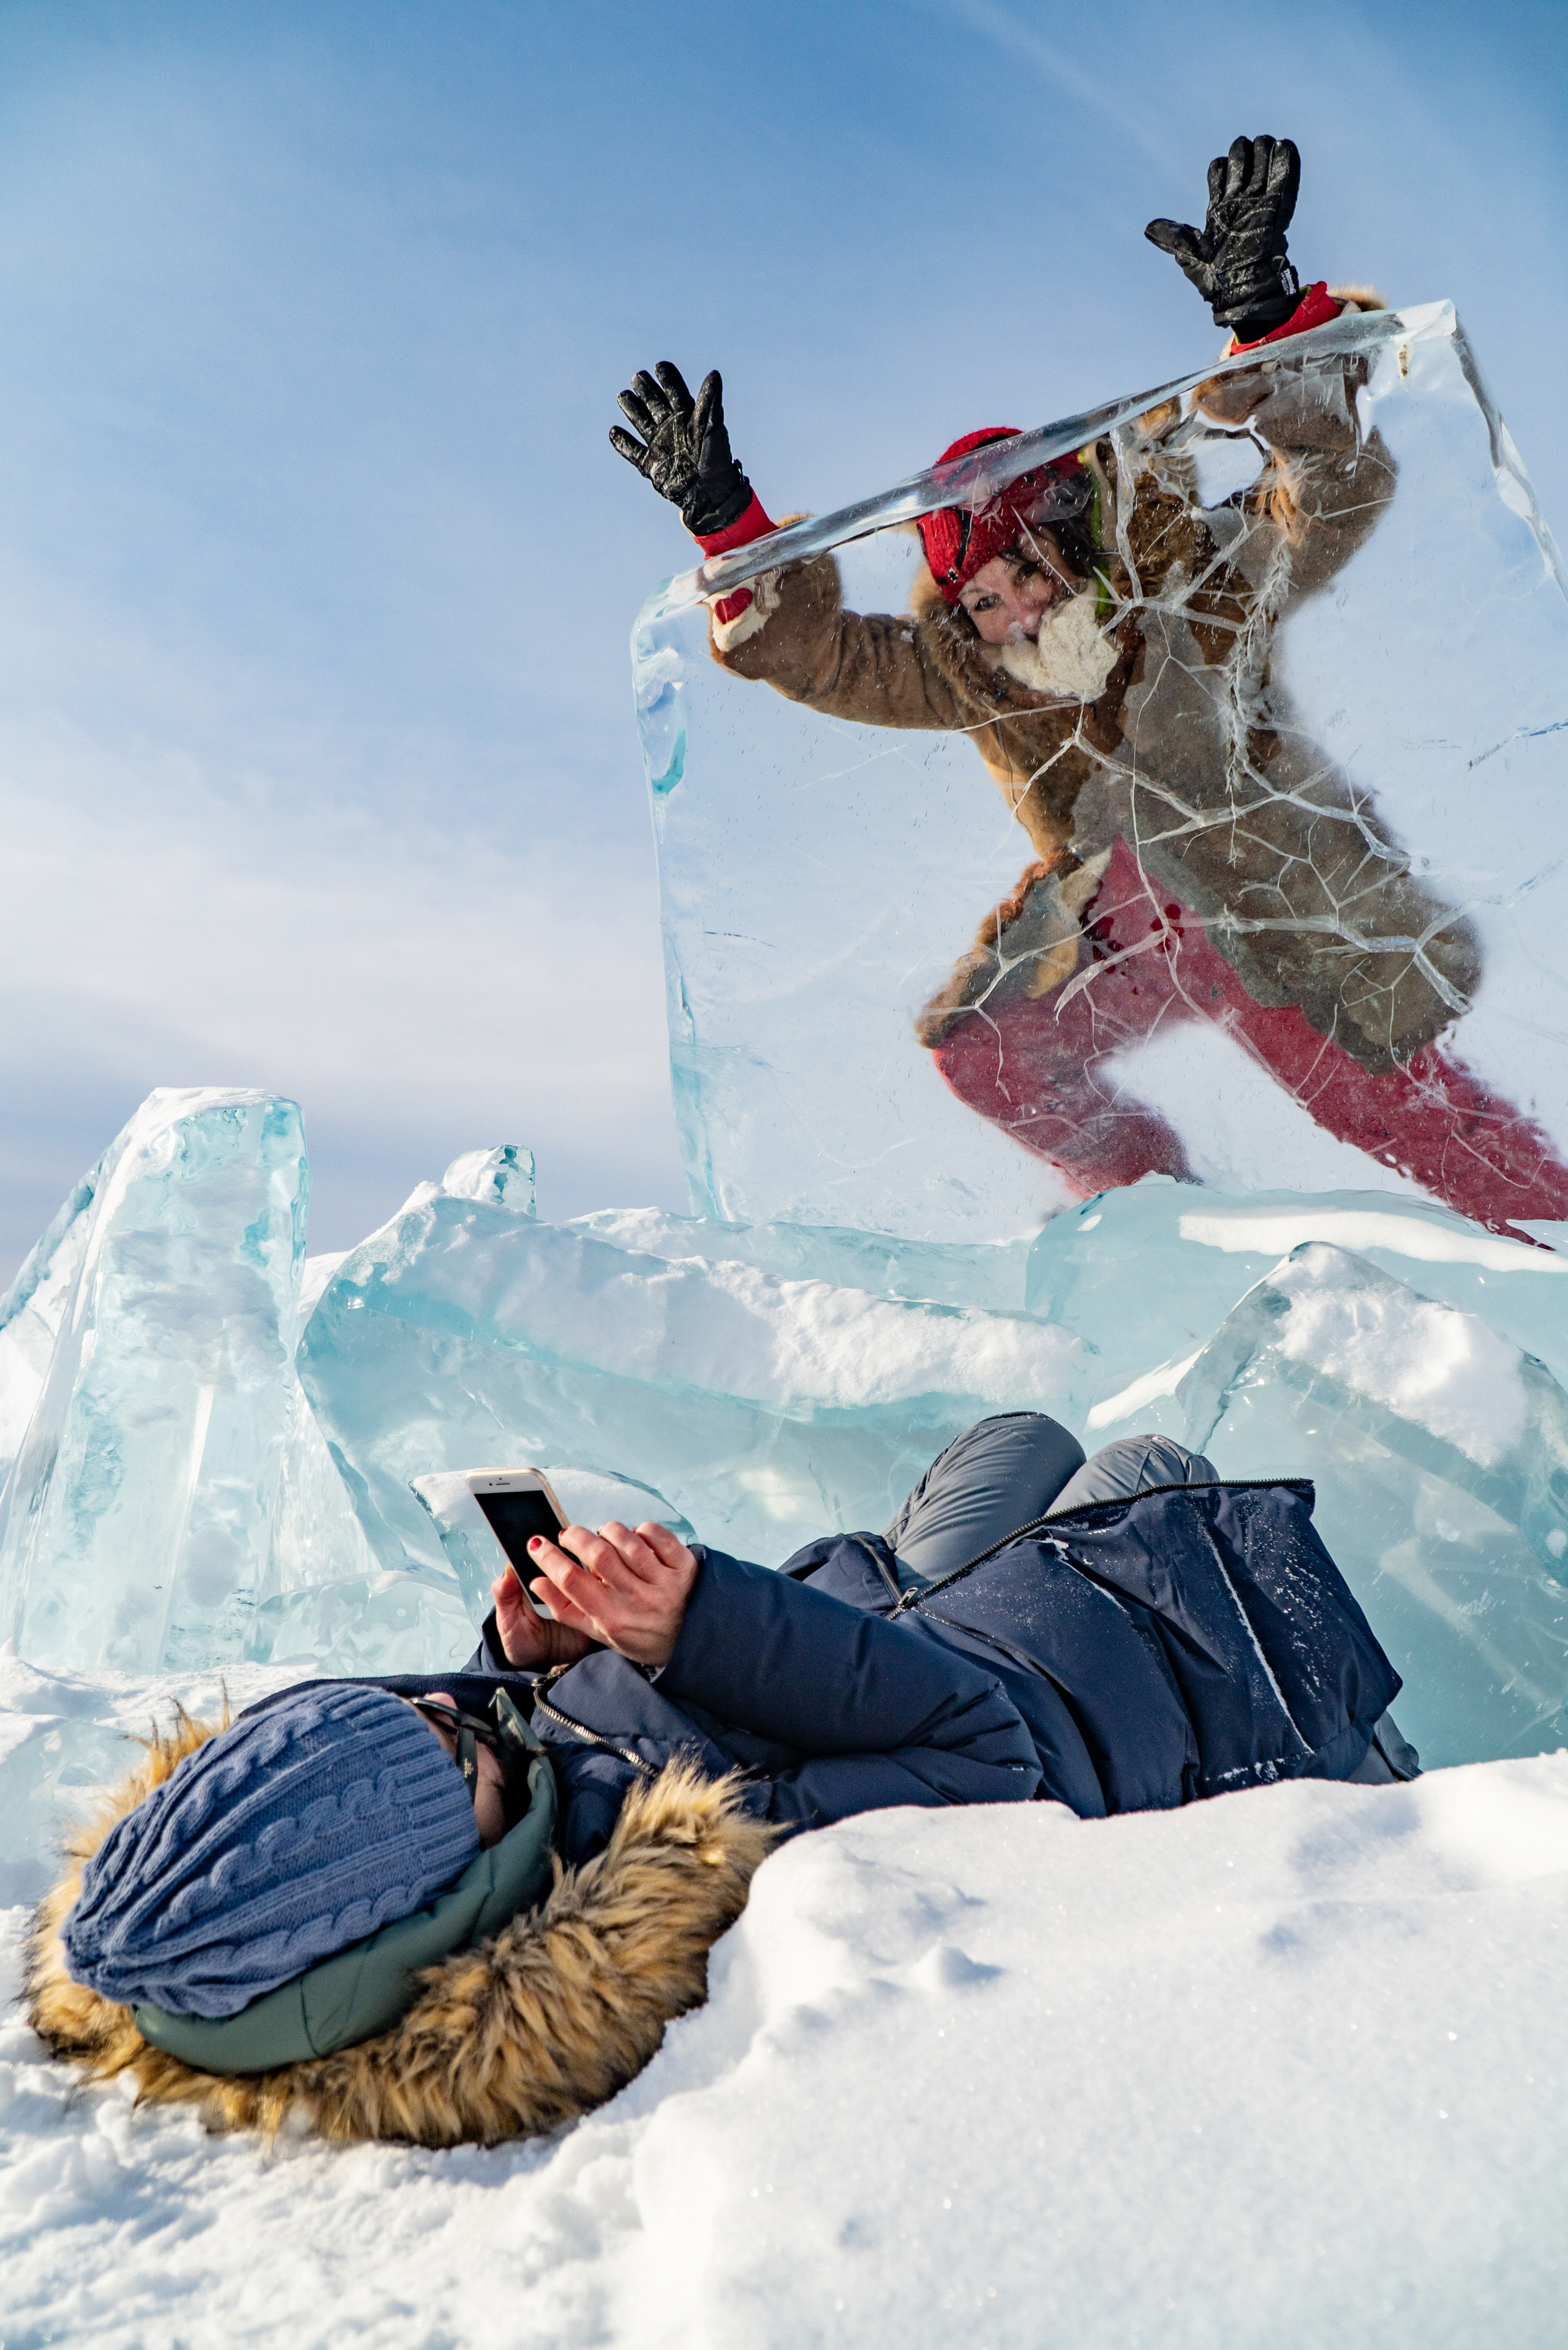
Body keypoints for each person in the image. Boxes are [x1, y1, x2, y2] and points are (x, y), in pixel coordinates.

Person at [609, 135, 1568, 1237]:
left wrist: (1269, 327)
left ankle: (1551, 1229)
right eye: (982, 598)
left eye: (1026, 573)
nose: (1014, 614)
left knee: (1378, 1103)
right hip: (1119, 925)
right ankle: (1149, 1225)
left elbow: (1326, 501)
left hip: (1257, 899)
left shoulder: (1188, 582)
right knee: (986, 1051)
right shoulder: (966, 668)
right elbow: (827, 657)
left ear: (1078, 540)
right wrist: (729, 526)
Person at [31, 1414, 1416, 2146]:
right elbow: (981, 1753)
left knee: (1027, 1434)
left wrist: (539, 1658)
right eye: (451, 1749)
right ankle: (1398, 1775)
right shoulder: (685, 1873)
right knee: (1152, 1465)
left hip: (904, 1608)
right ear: (430, 1903)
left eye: (411, 1708)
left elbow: (480, 1750)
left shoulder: (483, 1813)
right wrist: (697, 1621)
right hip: (1116, 1683)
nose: (459, 1715)